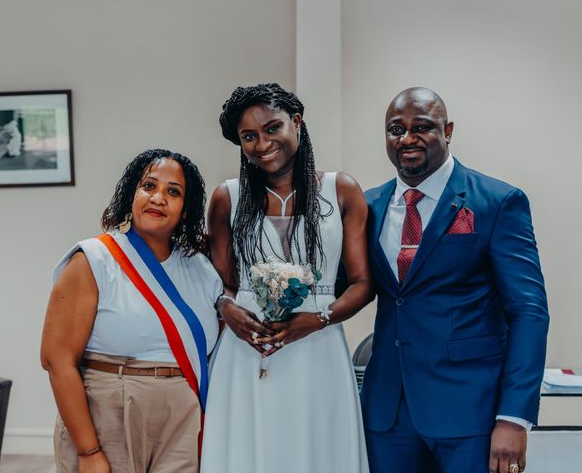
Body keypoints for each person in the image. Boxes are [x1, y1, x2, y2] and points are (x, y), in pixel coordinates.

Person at [360, 87, 549, 473]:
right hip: (388, 415)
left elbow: (529, 313)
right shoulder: (368, 206)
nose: (407, 139)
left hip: (472, 415)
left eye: (422, 127)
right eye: (395, 129)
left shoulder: (497, 202)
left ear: (447, 131)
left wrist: (514, 417)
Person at [200, 83, 373, 473]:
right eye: (249, 136)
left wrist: (321, 318)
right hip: (247, 348)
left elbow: (363, 283)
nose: (262, 143)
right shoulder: (227, 197)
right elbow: (220, 283)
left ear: (296, 122)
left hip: (318, 342)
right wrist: (229, 310)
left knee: (316, 448)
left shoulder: (341, 190)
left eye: (272, 128)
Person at [40, 149, 222, 473]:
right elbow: (57, 360)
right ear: (132, 195)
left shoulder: (202, 268)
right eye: (149, 186)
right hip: (110, 412)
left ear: (186, 209)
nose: (158, 198)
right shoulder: (94, 259)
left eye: (173, 191)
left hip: (183, 417)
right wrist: (88, 452)